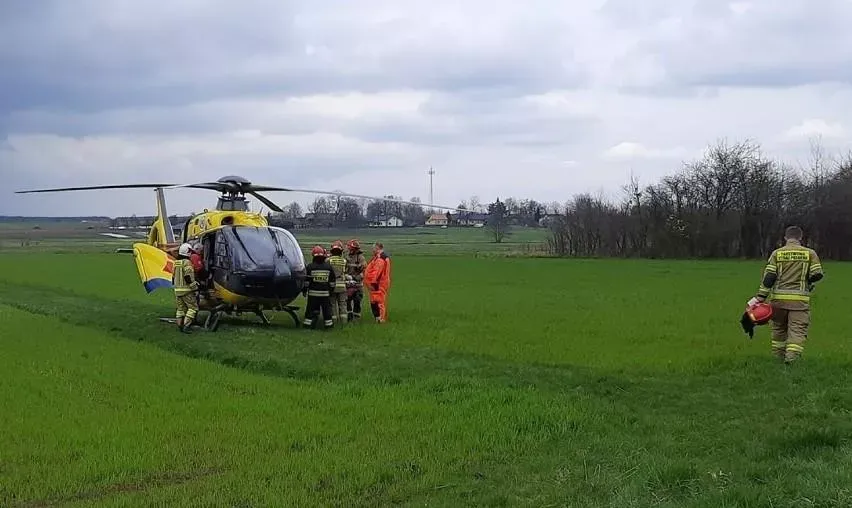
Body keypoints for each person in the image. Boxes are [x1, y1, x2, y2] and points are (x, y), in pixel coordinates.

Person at [749, 225, 824, 364]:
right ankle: (791, 359)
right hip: (799, 302)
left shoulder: (777, 254)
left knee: (779, 329)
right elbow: (817, 274)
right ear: (800, 238)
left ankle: (778, 357)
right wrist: (808, 281)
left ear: (785, 238)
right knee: (797, 330)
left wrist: (760, 298)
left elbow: (769, 278)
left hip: (778, 301)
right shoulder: (810, 253)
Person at [302, 245, 336, 330]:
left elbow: (306, 282)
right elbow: (332, 282)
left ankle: (308, 325)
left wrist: (304, 290)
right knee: (326, 311)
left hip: (313, 294)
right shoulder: (328, 267)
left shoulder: (310, 267)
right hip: (325, 294)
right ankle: (328, 326)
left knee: (310, 310)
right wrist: (331, 292)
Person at [173, 242, 201, 333]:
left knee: (180, 309)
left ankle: (179, 326)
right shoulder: (187, 262)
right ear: (188, 252)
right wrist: (195, 288)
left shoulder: (176, 262)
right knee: (193, 308)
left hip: (177, 290)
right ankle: (186, 326)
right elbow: (188, 277)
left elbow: (173, 276)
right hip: (186, 290)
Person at [365, 242, 391, 323]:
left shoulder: (380, 258)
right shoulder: (381, 257)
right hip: (380, 283)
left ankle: (381, 319)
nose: (372, 250)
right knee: (375, 301)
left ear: (377, 248)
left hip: (378, 284)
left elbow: (377, 272)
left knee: (379, 301)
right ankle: (378, 318)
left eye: (373, 248)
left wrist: (373, 282)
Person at [327, 240, 349, 324]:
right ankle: (344, 322)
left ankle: (333, 322)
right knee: (343, 304)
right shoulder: (344, 261)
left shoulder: (328, 260)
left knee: (332, 304)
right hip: (342, 285)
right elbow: (345, 271)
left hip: (332, 286)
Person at [345, 239, 367, 320]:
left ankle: (356, 317)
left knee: (357, 301)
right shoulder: (347, 257)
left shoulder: (361, 258)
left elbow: (365, 272)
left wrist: (355, 278)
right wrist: (347, 276)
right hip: (348, 283)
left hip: (358, 285)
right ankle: (349, 316)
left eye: (350, 248)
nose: (349, 249)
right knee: (347, 301)